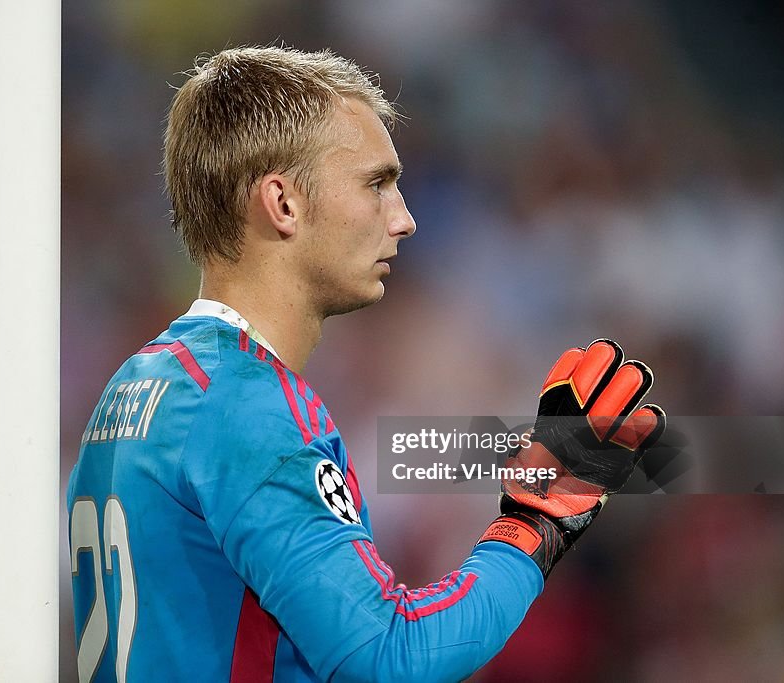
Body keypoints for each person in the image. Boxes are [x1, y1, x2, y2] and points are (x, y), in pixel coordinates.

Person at [67, 46, 665, 682]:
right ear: (284, 203)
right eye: (375, 183)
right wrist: (533, 524)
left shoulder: (134, 387)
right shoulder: (251, 407)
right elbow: (388, 656)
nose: (404, 219)